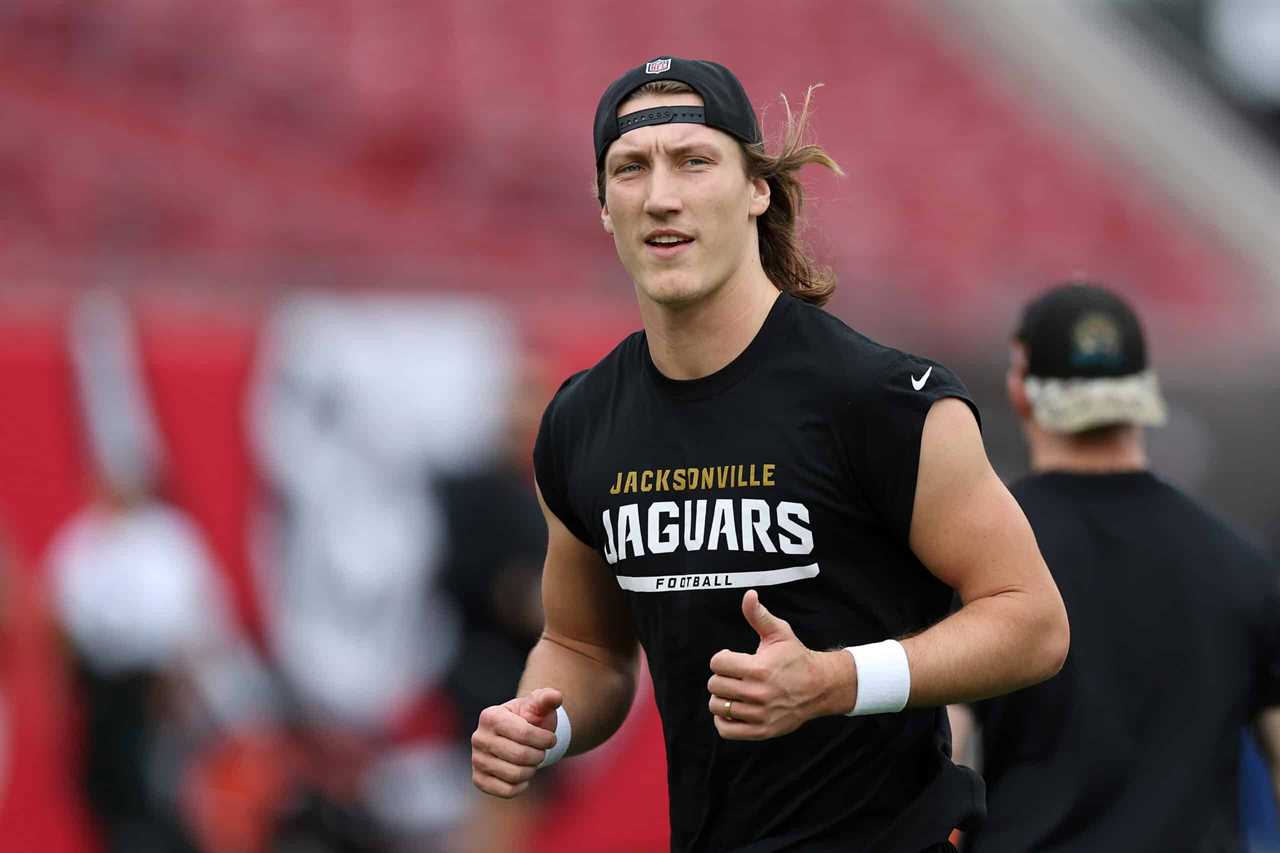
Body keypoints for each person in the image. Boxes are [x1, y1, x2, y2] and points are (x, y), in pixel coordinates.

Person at [469, 56, 1070, 853]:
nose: (661, 196)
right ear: (604, 206)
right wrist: (541, 723)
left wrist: (837, 681)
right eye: (631, 169)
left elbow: (1032, 621)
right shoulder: (581, 421)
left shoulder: (880, 399)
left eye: (694, 160)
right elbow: (585, 647)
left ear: (758, 188)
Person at [949, 282, 1280, 852]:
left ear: (1020, 391)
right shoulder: (1242, 564)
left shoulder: (979, 557)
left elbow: (940, 753)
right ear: (1145, 391)